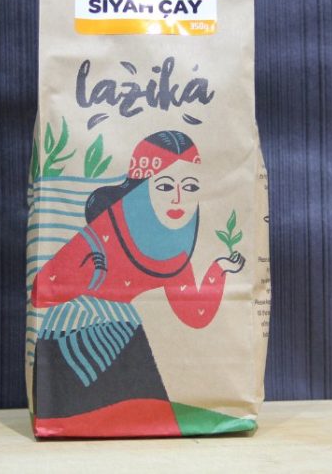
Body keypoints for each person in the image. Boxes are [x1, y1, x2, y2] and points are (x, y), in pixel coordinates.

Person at [31, 130, 245, 437]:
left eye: (190, 186)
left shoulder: (175, 248)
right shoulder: (104, 230)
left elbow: (194, 314)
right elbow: (41, 291)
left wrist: (219, 269)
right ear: (140, 187)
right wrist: (91, 282)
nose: (178, 198)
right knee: (126, 319)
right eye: (165, 186)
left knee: (131, 327)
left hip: (126, 342)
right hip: (70, 339)